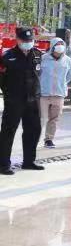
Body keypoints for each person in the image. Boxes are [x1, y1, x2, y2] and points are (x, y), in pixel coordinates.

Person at [0, 27, 45, 175]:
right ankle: (3, 164)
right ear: (18, 40)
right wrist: (9, 94)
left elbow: (38, 75)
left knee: (34, 130)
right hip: (14, 100)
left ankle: (29, 161)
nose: (28, 43)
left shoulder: (37, 54)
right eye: (25, 40)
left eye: (30, 40)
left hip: (33, 100)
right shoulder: (8, 56)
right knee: (8, 132)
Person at [39, 37, 71, 148]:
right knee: (40, 118)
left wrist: (61, 83)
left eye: (61, 44)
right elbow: (37, 73)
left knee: (54, 119)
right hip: (43, 94)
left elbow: (70, 75)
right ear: (52, 46)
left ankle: (49, 139)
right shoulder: (43, 58)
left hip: (59, 94)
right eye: (57, 44)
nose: (60, 46)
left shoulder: (68, 60)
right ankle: (33, 138)